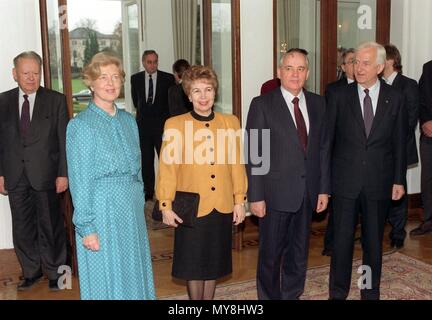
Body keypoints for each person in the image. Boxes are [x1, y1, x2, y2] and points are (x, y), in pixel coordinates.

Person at [66, 52, 155, 300]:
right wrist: (87, 227)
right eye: (103, 77)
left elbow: (137, 170)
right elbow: (79, 179)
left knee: (133, 273)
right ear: (91, 82)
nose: (110, 82)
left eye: (115, 77)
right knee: (105, 278)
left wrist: (139, 202)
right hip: (101, 212)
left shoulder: (129, 121)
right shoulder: (81, 125)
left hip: (131, 212)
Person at [156, 65, 247, 300]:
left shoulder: (231, 122)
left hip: (222, 205)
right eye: (197, 91)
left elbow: (237, 165)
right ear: (188, 95)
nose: (203, 96)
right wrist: (165, 205)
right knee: (194, 266)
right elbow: (168, 169)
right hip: (192, 209)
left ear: (215, 92)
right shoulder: (174, 125)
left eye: (208, 90)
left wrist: (240, 200)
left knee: (213, 265)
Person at [246, 48, 330, 300]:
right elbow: (255, 154)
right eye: (289, 68)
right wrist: (256, 196)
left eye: (301, 68)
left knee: (299, 252)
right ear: (279, 72)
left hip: (307, 194)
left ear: (308, 72)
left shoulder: (318, 103)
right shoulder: (262, 104)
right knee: (270, 256)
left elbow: (324, 148)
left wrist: (324, 188)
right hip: (274, 196)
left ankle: (292, 294)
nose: (295, 74)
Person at [327, 42, 407, 300]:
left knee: (372, 244)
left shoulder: (394, 98)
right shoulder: (338, 95)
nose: (357, 68)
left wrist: (398, 180)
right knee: (341, 243)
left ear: (380, 67)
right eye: (355, 62)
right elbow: (327, 141)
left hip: (378, 182)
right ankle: (337, 293)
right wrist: (324, 184)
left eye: (364, 63)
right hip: (344, 182)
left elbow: (399, 142)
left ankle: (369, 292)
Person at [0, 51, 68, 291]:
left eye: (35, 73)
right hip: (14, 176)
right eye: (26, 73)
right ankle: (31, 271)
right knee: (22, 227)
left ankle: (57, 273)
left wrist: (63, 173)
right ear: (15, 74)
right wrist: (0, 174)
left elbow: (63, 140)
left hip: (47, 175)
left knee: (51, 225)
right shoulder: (2, 101)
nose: (31, 78)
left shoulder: (56, 100)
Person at [383, 44, 419, 248]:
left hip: (399, 150)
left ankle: (397, 232)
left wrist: (390, 144)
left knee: (398, 189)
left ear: (390, 60)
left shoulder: (408, 85)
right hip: (379, 152)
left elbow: (410, 121)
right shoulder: (378, 84)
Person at [322, 48, 357, 256]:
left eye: (359, 61)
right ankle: (331, 244)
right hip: (341, 158)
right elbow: (330, 127)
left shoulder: (373, 89)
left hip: (362, 160)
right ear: (343, 67)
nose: (356, 65)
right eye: (351, 61)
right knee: (338, 208)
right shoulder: (334, 90)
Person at [131, 50, 175, 202]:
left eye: (155, 61)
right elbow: (137, 102)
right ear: (143, 62)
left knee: (165, 161)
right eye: (149, 62)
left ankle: (165, 192)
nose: (152, 64)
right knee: (146, 161)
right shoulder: (135, 79)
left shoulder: (168, 78)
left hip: (162, 127)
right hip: (143, 127)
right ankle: (148, 193)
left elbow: (170, 104)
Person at [412, 60, 432, 236]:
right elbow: (421, 99)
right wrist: (425, 121)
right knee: (428, 179)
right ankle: (429, 221)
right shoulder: (428, 67)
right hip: (429, 135)